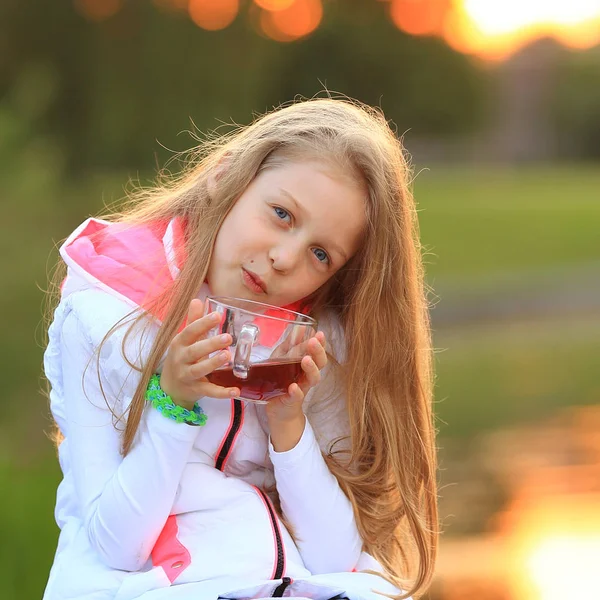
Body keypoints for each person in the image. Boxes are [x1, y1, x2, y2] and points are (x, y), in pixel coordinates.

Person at [42, 97, 438, 600]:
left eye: (321, 254)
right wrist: (173, 402)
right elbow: (115, 545)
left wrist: (288, 425)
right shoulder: (106, 319)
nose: (283, 258)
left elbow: (335, 556)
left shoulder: (313, 346)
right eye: (281, 214)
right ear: (226, 177)